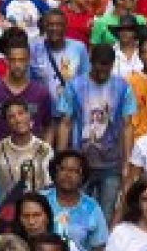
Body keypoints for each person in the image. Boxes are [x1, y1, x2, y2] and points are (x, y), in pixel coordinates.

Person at [55, 43, 136, 217]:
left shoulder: (123, 88)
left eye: (106, 65)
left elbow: (127, 126)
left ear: (112, 64)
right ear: (91, 62)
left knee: (105, 213)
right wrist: (60, 159)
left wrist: (127, 162)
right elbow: (65, 123)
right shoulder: (74, 86)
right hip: (80, 162)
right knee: (76, 211)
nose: (102, 69)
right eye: (99, 64)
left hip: (111, 163)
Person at [42, 149, 109, 251]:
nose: (68, 175)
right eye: (62, 169)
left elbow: (98, 250)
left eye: (75, 171)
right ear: (55, 172)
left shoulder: (91, 207)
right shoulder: (41, 200)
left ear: (83, 177)